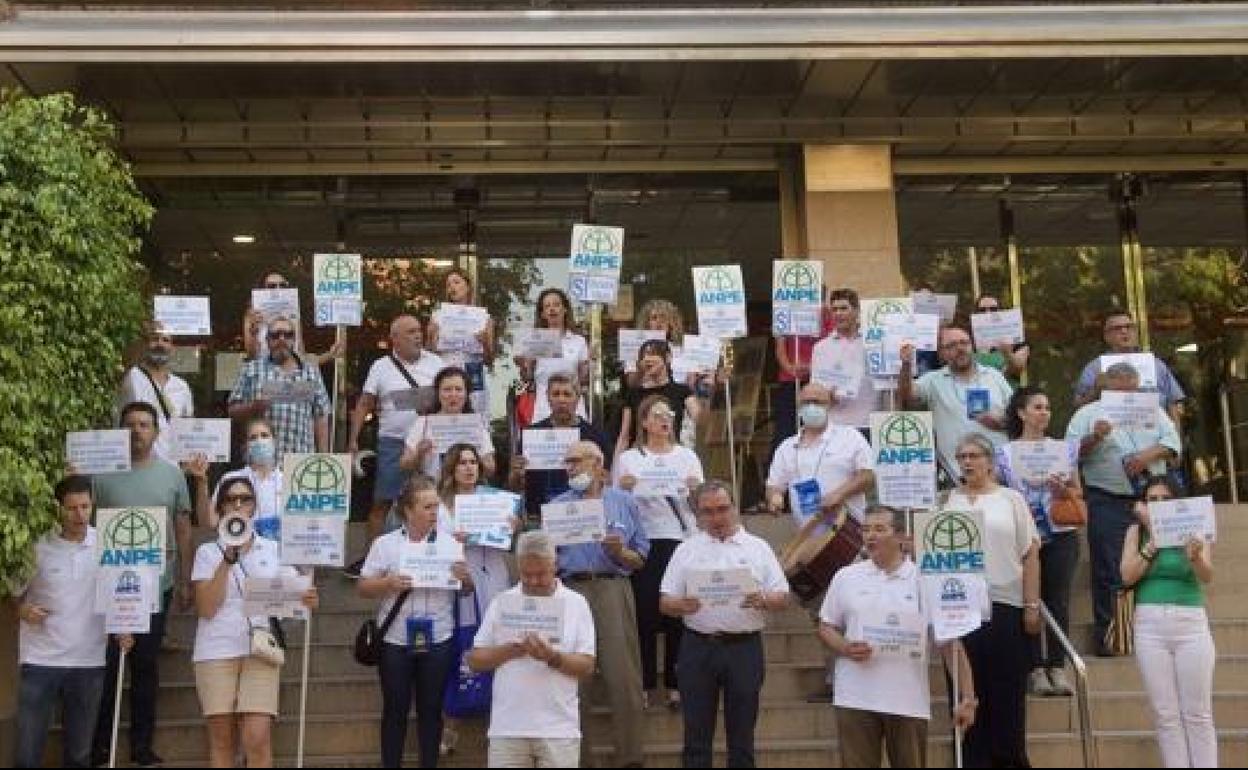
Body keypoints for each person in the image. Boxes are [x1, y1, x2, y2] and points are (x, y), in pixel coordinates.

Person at [818, 504, 977, 768]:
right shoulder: (845, 576)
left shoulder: (925, 580)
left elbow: (950, 644)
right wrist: (845, 647)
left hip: (907, 699)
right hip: (855, 697)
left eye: (880, 529)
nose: (870, 536)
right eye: (866, 529)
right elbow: (826, 626)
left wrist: (968, 698)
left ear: (903, 537)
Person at [92, 402, 203, 768]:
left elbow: (184, 529)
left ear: (156, 432)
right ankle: (100, 749)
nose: (138, 431)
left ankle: (141, 747)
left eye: (144, 424)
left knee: (145, 667)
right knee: (108, 669)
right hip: (110, 585)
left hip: (158, 585)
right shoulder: (100, 476)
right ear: (121, 430)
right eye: (131, 425)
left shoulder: (171, 475)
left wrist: (186, 580)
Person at [660, 480, 791, 769]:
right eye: (707, 512)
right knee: (695, 736)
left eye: (723, 509)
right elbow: (665, 601)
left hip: (744, 649)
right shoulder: (686, 550)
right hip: (697, 647)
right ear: (698, 515)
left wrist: (764, 599)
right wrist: (682, 605)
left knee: (742, 736)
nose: (716, 518)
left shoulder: (758, 548)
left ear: (735, 509)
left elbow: (782, 596)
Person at [191, 476, 319, 768]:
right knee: (222, 740)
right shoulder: (207, 553)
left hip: (260, 649)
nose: (238, 504)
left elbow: (295, 600)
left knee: (257, 737)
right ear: (221, 506)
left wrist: (307, 598)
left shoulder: (273, 550)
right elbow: (207, 608)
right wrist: (227, 559)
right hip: (215, 651)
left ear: (254, 506)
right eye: (231, 499)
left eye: (245, 499)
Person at [16, 476, 135, 769]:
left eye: (85, 506)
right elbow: (12, 595)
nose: (80, 515)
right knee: (28, 753)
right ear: (58, 509)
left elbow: (121, 591)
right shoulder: (37, 546)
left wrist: (124, 624)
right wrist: (22, 610)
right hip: (40, 660)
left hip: (89, 662)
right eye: (72, 508)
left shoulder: (109, 544)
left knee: (79, 755)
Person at [358, 475, 475, 769]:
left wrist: (465, 580)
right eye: (427, 507)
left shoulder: (451, 544)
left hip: (439, 636)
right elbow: (362, 587)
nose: (434, 512)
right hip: (395, 638)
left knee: (431, 709)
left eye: (436, 506)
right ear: (408, 511)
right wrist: (388, 583)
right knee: (395, 709)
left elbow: (466, 590)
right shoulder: (385, 545)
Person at [1065, 362, 1182, 654]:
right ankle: (1111, 635)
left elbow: (1174, 446)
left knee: (1158, 561)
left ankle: (1150, 632)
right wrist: (1095, 438)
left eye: (1134, 387)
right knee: (1108, 567)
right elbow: (1068, 456)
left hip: (1152, 496)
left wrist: (1148, 454)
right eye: (1121, 388)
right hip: (1106, 497)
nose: (1129, 393)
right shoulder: (1087, 414)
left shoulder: (1152, 410)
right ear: (1107, 385)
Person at [943, 433, 1041, 768]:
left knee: (1006, 696)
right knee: (967, 696)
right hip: (959, 608)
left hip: (1004, 605)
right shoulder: (946, 501)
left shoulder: (1010, 499)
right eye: (961, 457)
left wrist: (1031, 604)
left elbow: (1030, 553)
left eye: (974, 455)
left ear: (990, 461)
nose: (967, 462)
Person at [553, 441, 649, 768]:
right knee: (573, 683)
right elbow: (548, 559)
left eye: (576, 462)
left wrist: (621, 553)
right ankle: (578, 761)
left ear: (597, 464)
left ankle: (630, 759)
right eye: (567, 462)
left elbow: (640, 559)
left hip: (612, 588)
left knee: (623, 679)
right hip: (569, 591)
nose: (570, 468)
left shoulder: (624, 503)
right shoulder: (557, 505)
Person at [468, 531, 597, 769]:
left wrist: (552, 657)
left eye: (541, 574)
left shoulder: (576, 603)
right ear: (518, 566)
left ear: (555, 565)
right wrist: (511, 650)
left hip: (558, 729)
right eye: (527, 574)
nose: (534, 581)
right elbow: (475, 659)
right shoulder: (502, 602)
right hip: (507, 728)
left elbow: (587, 665)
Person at [613, 395, 705, 711]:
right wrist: (625, 488)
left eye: (668, 414)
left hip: (680, 539)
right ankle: (646, 683)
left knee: (677, 614)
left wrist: (694, 490)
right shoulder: (629, 459)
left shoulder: (687, 456)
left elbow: (700, 506)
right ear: (644, 422)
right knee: (645, 614)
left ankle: (675, 684)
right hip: (645, 541)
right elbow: (618, 504)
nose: (664, 419)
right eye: (656, 414)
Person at [1121, 476, 1217, 768]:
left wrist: (1196, 557)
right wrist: (1153, 540)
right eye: (1152, 499)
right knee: (1165, 713)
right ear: (1143, 504)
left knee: (1197, 712)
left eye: (1165, 499)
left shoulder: (1194, 528)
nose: (1159, 504)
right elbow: (1127, 576)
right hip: (1149, 625)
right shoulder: (1136, 532)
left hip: (1190, 622)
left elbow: (1207, 576)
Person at [436, 442, 522, 755]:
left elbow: (507, 543)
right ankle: (451, 724)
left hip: (495, 575)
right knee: (464, 646)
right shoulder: (442, 506)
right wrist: (451, 539)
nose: (469, 468)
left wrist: (511, 528)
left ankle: (498, 721)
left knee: (499, 642)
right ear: (451, 469)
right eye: (461, 463)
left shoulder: (495, 500)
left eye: (473, 461)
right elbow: (432, 545)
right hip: (463, 577)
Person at [997, 386, 1084, 696]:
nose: (1044, 413)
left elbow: (1078, 492)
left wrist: (1064, 491)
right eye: (1037, 407)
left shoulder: (1064, 449)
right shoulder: (1005, 453)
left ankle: (1058, 666)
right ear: (1021, 413)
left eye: (1047, 407)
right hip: (1023, 536)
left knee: (1058, 599)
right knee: (1029, 600)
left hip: (1060, 533)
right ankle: (1034, 667)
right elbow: (999, 494)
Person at [346, 315, 446, 577]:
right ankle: (371, 561)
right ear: (395, 338)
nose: (418, 336)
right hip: (394, 442)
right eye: (411, 332)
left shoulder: (436, 363)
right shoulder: (380, 367)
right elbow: (365, 403)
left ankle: (431, 557)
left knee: (433, 500)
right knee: (383, 501)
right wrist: (353, 439)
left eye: (419, 331)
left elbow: (451, 395)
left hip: (430, 443)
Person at [897, 327, 1013, 483]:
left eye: (964, 343)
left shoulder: (994, 375)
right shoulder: (933, 380)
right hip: (958, 474)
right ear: (942, 353)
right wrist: (905, 365)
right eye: (951, 346)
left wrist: (1002, 422)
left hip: (1000, 473)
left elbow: (1018, 417)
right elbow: (907, 395)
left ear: (972, 346)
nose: (959, 348)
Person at [764, 382, 874, 529]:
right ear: (799, 407)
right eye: (806, 402)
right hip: (809, 535)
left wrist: (839, 494)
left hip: (847, 528)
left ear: (829, 405)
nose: (811, 407)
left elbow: (868, 476)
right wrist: (774, 498)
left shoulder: (850, 436)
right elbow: (774, 485)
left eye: (817, 402)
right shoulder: (786, 447)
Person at [509, 374, 612, 521]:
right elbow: (515, 486)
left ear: (577, 398)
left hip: (582, 516)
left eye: (567, 394)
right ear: (548, 398)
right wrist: (516, 473)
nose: (561, 400)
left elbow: (606, 479)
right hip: (538, 515)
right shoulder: (531, 434)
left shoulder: (595, 436)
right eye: (556, 394)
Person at [227, 314, 331, 459]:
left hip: (300, 461)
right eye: (275, 335)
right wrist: (254, 407)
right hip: (261, 462)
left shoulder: (311, 371)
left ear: (294, 340)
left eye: (288, 335)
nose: (282, 339)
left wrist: (323, 457)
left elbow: (321, 417)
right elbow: (232, 411)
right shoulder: (251, 369)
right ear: (267, 340)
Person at [1074, 311, 1186, 421]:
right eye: (1117, 328)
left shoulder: (1156, 365)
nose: (1124, 331)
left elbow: (1174, 403)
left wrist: (1175, 438)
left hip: (1155, 434)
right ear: (1106, 336)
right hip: (1112, 434)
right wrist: (1095, 390)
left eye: (1129, 327)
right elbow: (1079, 406)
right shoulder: (1095, 367)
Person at [115, 320, 194, 463]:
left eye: (165, 340)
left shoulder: (182, 386)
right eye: (154, 339)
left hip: (172, 469)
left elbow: (187, 431)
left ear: (172, 348)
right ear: (145, 344)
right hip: (136, 465)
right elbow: (123, 363)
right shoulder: (131, 376)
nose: (160, 344)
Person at [401, 366, 496, 480]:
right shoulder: (423, 423)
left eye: (458, 389)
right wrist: (419, 453)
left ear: (466, 394)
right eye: (447, 389)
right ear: (438, 393)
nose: (453, 395)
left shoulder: (476, 425)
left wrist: (474, 459)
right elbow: (404, 464)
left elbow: (490, 468)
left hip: (465, 491)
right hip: (433, 490)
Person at [809, 288, 880, 436]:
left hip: (869, 423)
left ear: (856, 311)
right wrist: (827, 396)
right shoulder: (821, 348)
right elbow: (815, 390)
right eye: (834, 309)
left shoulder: (874, 342)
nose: (838, 313)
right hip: (835, 426)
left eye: (843, 308)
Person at [615, 339, 701, 458]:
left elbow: (701, 421)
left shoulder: (682, 391)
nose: (647, 359)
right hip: (639, 458)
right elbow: (624, 437)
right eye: (643, 356)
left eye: (652, 354)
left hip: (671, 459)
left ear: (668, 357)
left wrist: (713, 386)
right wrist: (616, 469)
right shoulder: (633, 394)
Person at [771, 292, 832, 461]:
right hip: (790, 380)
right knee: (785, 430)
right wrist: (789, 367)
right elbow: (780, 346)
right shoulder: (784, 312)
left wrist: (812, 367)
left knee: (816, 427)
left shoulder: (827, 315)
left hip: (817, 380)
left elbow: (831, 347)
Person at [515, 288, 589, 424]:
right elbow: (527, 378)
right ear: (542, 314)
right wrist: (524, 365)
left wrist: (590, 363)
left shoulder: (578, 341)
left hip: (573, 406)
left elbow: (583, 380)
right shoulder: (535, 340)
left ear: (565, 309)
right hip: (544, 406)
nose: (552, 309)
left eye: (556, 304)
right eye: (547, 306)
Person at [428, 267, 495, 414]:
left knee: (474, 421)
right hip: (446, 375)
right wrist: (434, 338)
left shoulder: (483, 318)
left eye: (456, 282)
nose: (452, 287)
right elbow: (429, 356)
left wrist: (484, 342)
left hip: (474, 376)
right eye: (448, 285)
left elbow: (489, 361)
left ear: (468, 286)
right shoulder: (437, 316)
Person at [205, 417, 283, 542]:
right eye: (253, 437)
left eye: (264, 435)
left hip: (278, 557)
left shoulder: (288, 481)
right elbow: (211, 522)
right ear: (246, 446)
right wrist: (201, 479)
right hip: (241, 557)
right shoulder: (230, 479)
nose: (259, 441)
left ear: (274, 441)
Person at [242, 271, 341, 365]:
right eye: (272, 286)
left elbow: (301, 357)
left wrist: (329, 355)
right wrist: (253, 332)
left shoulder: (294, 317)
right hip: (265, 373)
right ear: (262, 289)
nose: (278, 289)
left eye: (283, 285)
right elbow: (252, 356)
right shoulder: (252, 316)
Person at [970, 294, 1030, 382]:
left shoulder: (1016, 338)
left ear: (1001, 312)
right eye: (982, 310)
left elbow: (1018, 367)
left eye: (993, 309)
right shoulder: (967, 340)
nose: (988, 313)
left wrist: (1007, 353)